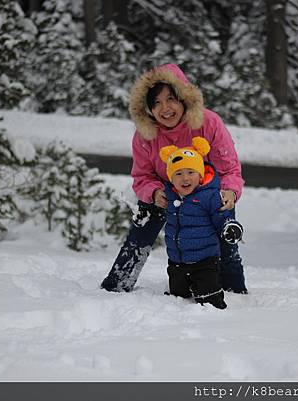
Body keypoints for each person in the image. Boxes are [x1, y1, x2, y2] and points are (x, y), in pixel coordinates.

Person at [100, 63, 247, 293]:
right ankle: (117, 284)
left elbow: (229, 169)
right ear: (148, 109)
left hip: (205, 191)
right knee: (140, 231)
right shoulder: (145, 135)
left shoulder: (208, 123)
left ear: (183, 98)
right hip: (165, 191)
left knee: (225, 234)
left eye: (170, 99)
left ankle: (234, 290)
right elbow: (142, 176)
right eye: (156, 103)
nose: (165, 108)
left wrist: (230, 191)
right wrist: (155, 193)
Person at [159, 137, 243, 309]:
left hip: (205, 261)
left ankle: (212, 310)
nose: (185, 178)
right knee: (177, 297)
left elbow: (222, 216)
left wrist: (230, 226)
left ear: (200, 174)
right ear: (171, 178)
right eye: (178, 174)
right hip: (177, 261)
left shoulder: (209, 196)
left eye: (191, 172)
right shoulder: (169, 196)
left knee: (209, 299)